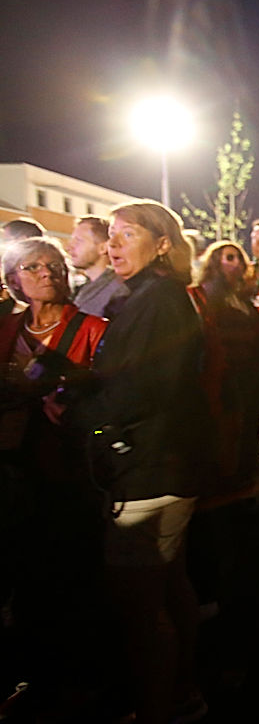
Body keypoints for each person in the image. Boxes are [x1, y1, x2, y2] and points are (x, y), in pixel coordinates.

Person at [75, 201, 210, 724]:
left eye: (126, 234)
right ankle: (183, 693)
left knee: (139, 605)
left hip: (151, 469)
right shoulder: (152, 297)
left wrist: (84, 408)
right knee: (169, 584)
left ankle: (158, 707)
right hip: (167, 462)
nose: (113, 244)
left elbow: (141, 388)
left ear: (162, 244)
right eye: (111, 234)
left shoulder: (157, 301)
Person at [0, 237, 107, 712]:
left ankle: (75, 679)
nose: (47, 273)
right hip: (9, 471)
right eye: (33, 267)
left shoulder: (95, 329)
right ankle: (30, 670)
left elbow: (108, 395)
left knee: (67, 574)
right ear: (14, 280)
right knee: (19, 574)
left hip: (67, 473)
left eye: (55, 265)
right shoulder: (4, 330)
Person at [188, 241, 259, 488]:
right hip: (225, 372)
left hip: (246, 372)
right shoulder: (208, 292)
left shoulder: (240, 293)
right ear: (215, 262)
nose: (237, 263)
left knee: (242, 429)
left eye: (240, 258)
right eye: (230, 258)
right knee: (225, 433)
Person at [66, 216, 129, 318]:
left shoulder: (119, 290)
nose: (69, 247)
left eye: (78, 241)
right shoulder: (83, 289)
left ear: (103, 247)